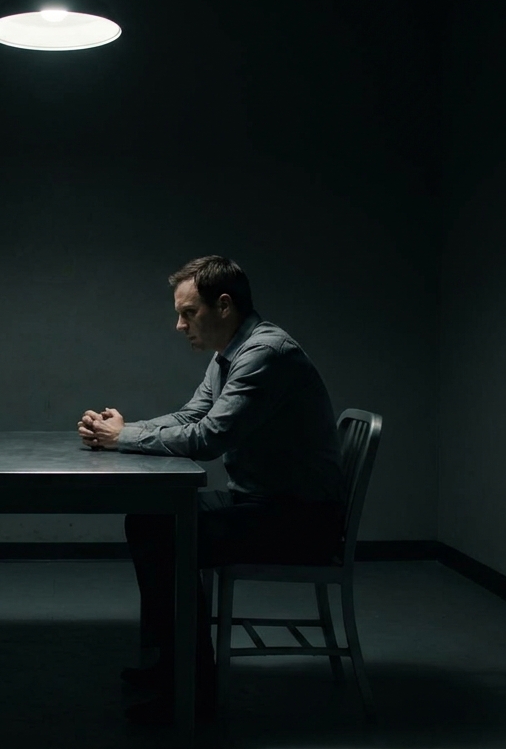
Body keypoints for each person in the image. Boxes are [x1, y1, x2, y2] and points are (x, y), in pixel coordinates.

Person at [77, 255, 346, 725]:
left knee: (165, 535)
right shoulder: (231, 354)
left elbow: (207, 439)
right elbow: (189, 416)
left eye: (188, 313)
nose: (178, 324)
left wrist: (123, 439)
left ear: (223, 305)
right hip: (262, 503)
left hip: (300, 519)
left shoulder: (265, 354)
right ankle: (172, 667)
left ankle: (191, 689)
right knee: (148, 518)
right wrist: (122, 429)